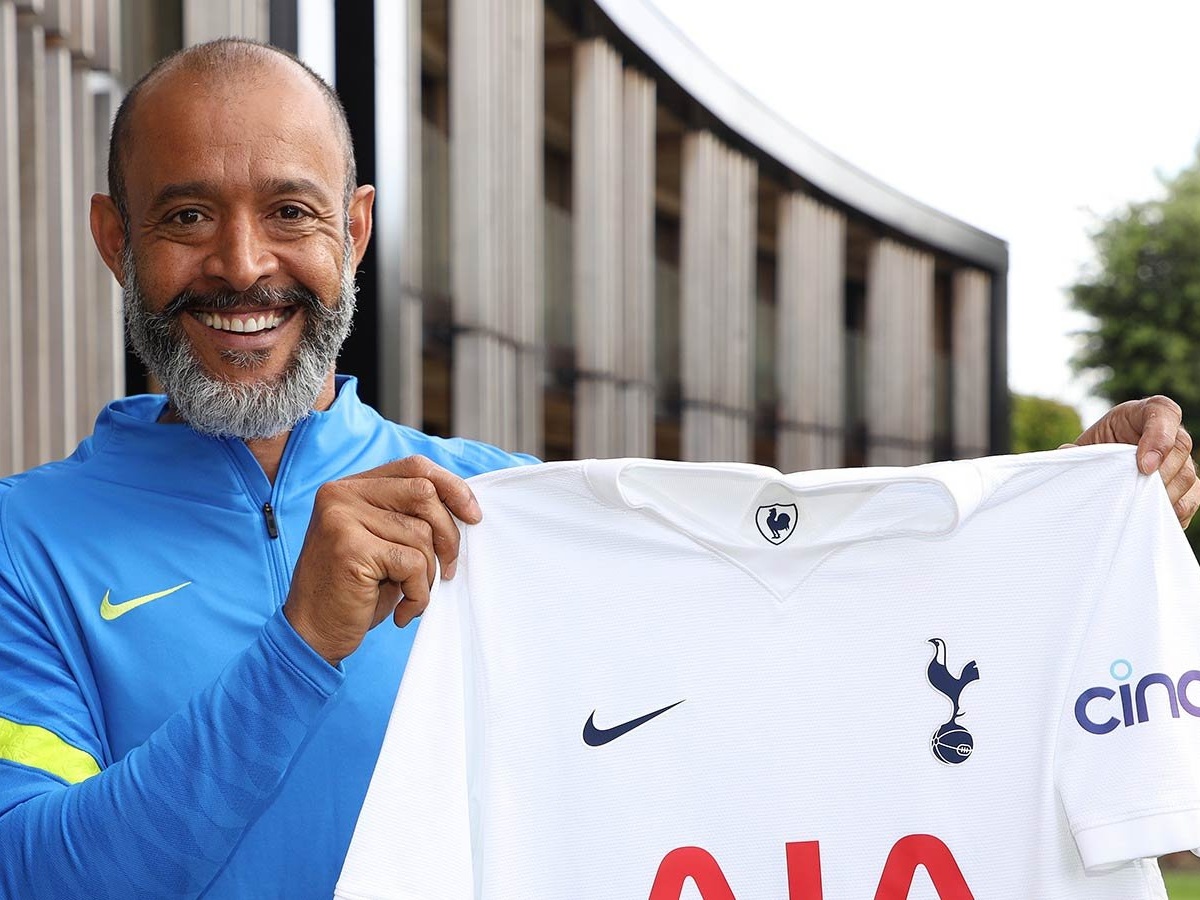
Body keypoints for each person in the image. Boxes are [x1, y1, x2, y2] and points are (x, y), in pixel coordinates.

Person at [0, 38, 1194, 899]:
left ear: (353, 230)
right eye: (187, 217)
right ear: (115, 238)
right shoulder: (26, 545)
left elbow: (802, 670)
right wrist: (300, 648)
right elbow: (34, 870)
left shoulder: (513, 518)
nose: (243, 264)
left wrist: (1056, 537)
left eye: (290, 212)